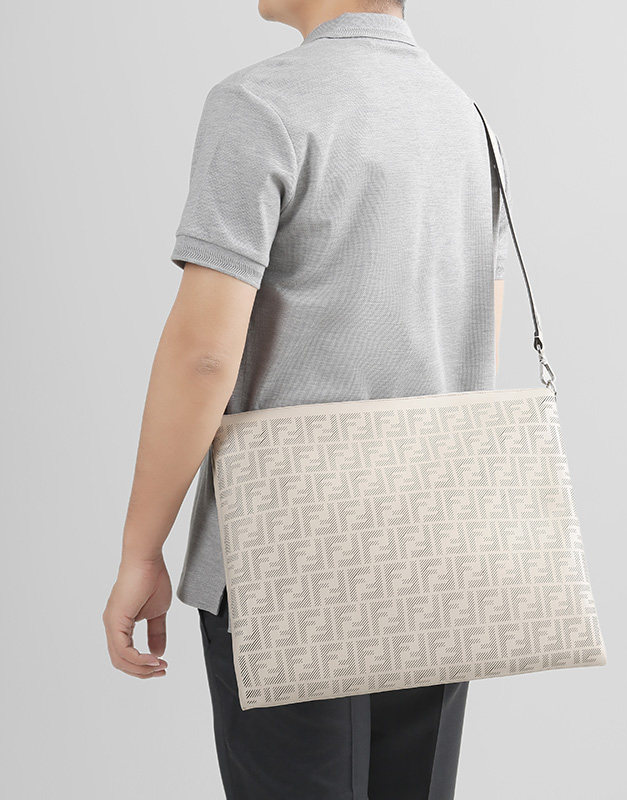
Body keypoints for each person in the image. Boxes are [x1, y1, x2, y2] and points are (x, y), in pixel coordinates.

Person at [103, 1, 512, 797]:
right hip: (435, 542)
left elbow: (203, 355)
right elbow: (476, 340)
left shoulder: (260, 105)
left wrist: (140, 552)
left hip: (284, 545)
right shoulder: (468, 120)